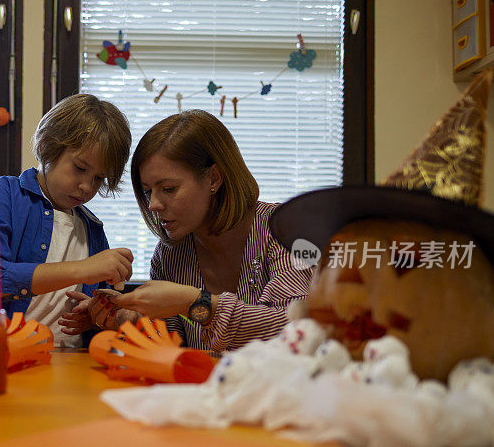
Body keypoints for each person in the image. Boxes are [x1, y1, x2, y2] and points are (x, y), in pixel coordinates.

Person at [59, 109, 312, 352]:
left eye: (168, 189)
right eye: (148, 191)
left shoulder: (284, 231)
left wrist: (195, 302)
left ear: (214, 179)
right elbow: (174, 344)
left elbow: (300, 327)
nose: (153, 205)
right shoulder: (169, 255)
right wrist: (126, 318)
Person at [0, 94, 133, 348]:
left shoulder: (92, 228)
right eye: (80, 168)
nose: (87, 187)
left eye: (98, 178)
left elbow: (102, 309)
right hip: (9, 358)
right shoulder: (4, 193)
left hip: (71, 362)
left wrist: (95, 314)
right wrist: (85, 268)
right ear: (47, 147)